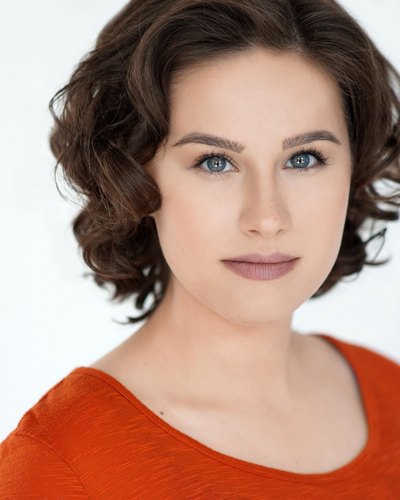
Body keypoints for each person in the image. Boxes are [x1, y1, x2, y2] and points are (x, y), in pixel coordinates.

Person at [1, 0, 399, 497]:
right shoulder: (59, 464)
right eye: (215, 162)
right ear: (135, 177)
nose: (267, 218)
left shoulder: (390, 393)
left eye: (303, 158)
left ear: (354, 169)